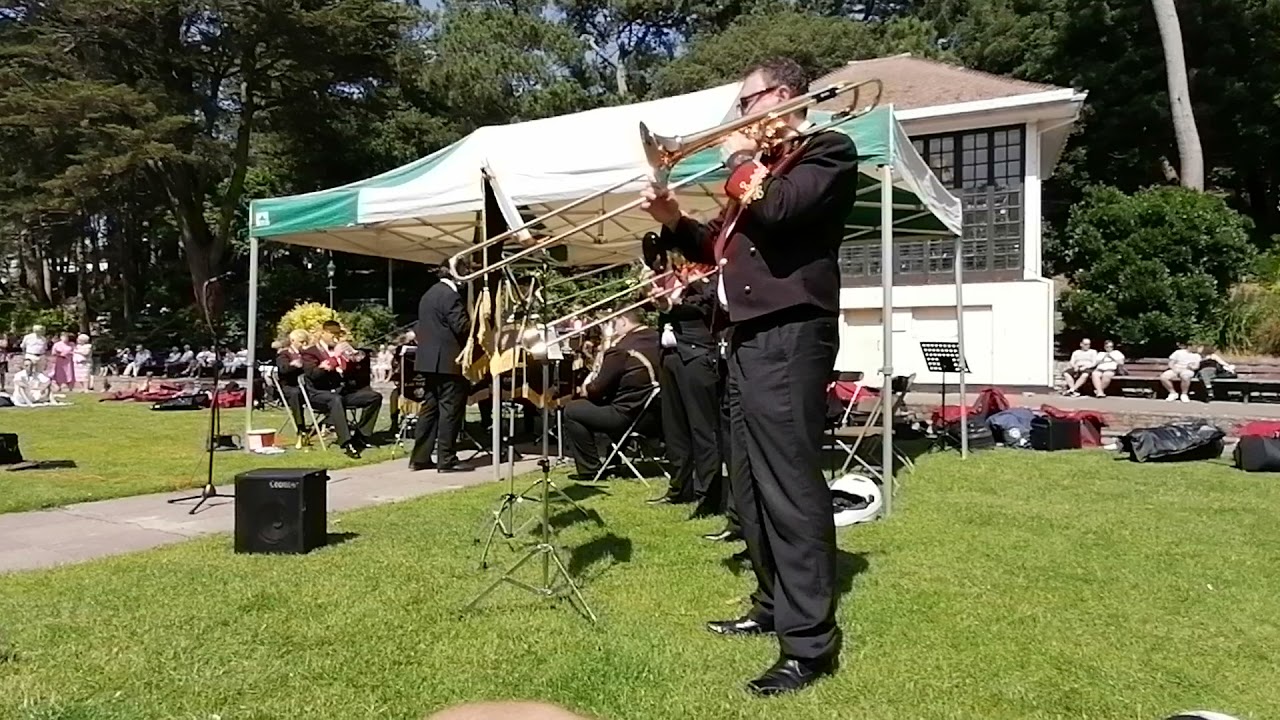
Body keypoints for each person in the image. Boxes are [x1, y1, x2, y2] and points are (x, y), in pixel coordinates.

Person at [639, 57, 858, 695]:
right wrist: (673, 220)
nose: (738, 117)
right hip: (743, 339)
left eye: (746, 103)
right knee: (750, 483)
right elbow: (715, 250)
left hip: (791, 333)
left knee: (788, 481)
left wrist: (740, 161)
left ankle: (809, 646)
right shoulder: (761, 169)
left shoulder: (826, 151)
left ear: (781, 97)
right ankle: (771, 603)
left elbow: (782, 211)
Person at [649, 260, 724, 517]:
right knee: (675, 428)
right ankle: (680, 488)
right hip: (670, 356)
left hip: (696, 356)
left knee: (702, 428)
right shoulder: (667, 276)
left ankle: (709, 495)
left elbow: (710, 302)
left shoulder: (707, 274)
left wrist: (680, 295)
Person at [560, 308, 661, 479]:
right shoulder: (656, 339)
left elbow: (596, 390)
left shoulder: (621, 350)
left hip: (629, 417)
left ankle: (590, 469)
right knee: (615, 403)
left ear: (622, 321)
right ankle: (613, 462)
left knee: (572, 410)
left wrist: (584, 388)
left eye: (614, 323)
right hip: (655, 415)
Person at [410, 268, 470, 473]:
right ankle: (447, 458)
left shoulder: (429, 294)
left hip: (428, 361)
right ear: (456, 274)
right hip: (447, 361)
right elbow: (461, 326)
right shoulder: (450, 295)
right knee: (450, 410)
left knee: (430, 409)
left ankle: (420, 457)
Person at [300, 322, 365, 458]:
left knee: (374, 397)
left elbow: (350, 373)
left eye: (337, 334)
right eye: (332, 333)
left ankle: (361, 436)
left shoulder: (339, 349)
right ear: (323, 333)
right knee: (335, 400)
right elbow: (312, 375)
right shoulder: (310, 352)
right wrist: (327, 365)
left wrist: (351, 360)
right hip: (318, 394)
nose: (335, 337)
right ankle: (347, 443)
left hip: (340, 392)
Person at [276, 329, 311, 433]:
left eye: (306, 342)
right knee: (295, 393)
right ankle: (301, 427)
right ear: (292, 340)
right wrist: (293, 365)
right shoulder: (284, 354)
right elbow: (283, 369)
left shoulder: (308, 353)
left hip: (307, 385)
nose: (304, 344)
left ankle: (327, 423)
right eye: (301, 342)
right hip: (290, 386)